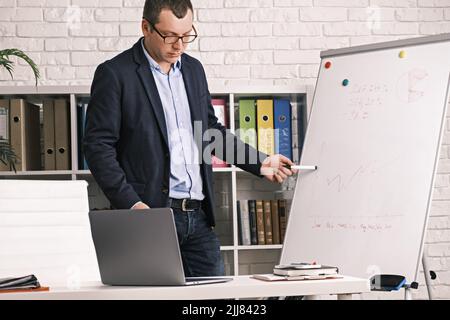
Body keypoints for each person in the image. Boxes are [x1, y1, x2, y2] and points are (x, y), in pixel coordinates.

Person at [83, 0, 296, 277]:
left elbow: (209, 132)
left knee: (214, 301)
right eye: (170, 36)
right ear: (145, 27)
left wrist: (260, 162)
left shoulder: (193, 70)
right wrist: (132, 205)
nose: (179, 45)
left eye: (186, 36)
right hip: (150, 217)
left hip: (198, 218)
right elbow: (98, 147)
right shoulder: (115, 74)